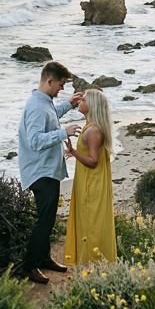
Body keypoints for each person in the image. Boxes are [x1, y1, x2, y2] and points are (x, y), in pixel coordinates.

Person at [18, 61, 83, 284]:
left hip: (47, 170)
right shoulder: (36, 106)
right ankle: (29, 266)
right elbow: (35, 141)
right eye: (62, 84)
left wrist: (69, 104)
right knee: (44, 221)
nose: (62, 88)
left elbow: (51, 115)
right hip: (40, 171)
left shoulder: (43, 102)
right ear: (49, 81)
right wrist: (63, 132)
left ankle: (44, 258)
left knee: (48, 218)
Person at [63, 88, 117, 267]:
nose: (80, 101)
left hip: (91, 185)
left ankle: (92, 263)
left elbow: (93, 161)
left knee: (91, 222)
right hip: (89, 182)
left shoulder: (93, 131)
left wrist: (73, 152)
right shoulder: (90, 127)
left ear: (92, 105)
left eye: (83, 100)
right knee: (90, 221)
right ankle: (90, 261)